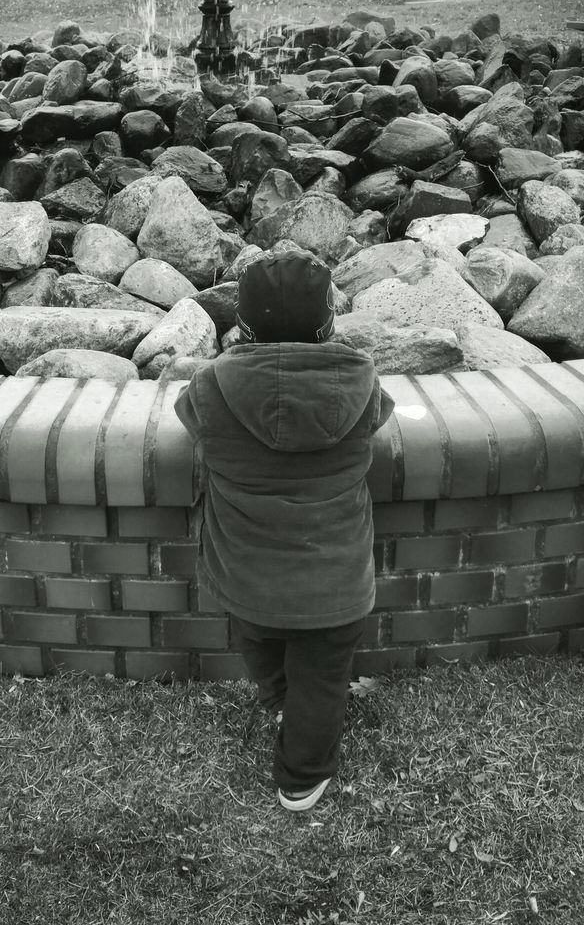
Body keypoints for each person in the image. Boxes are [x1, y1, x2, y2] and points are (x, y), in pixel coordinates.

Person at [174, 248, 395, 811]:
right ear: (327, 321)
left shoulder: (212, 389)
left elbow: (184, 413)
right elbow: (383, 416)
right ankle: (301, 778)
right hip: (334, 580)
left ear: (241, 324)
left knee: (259, 638)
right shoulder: (362, 383)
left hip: (245, 572)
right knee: (322, 679)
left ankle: (278, 699)